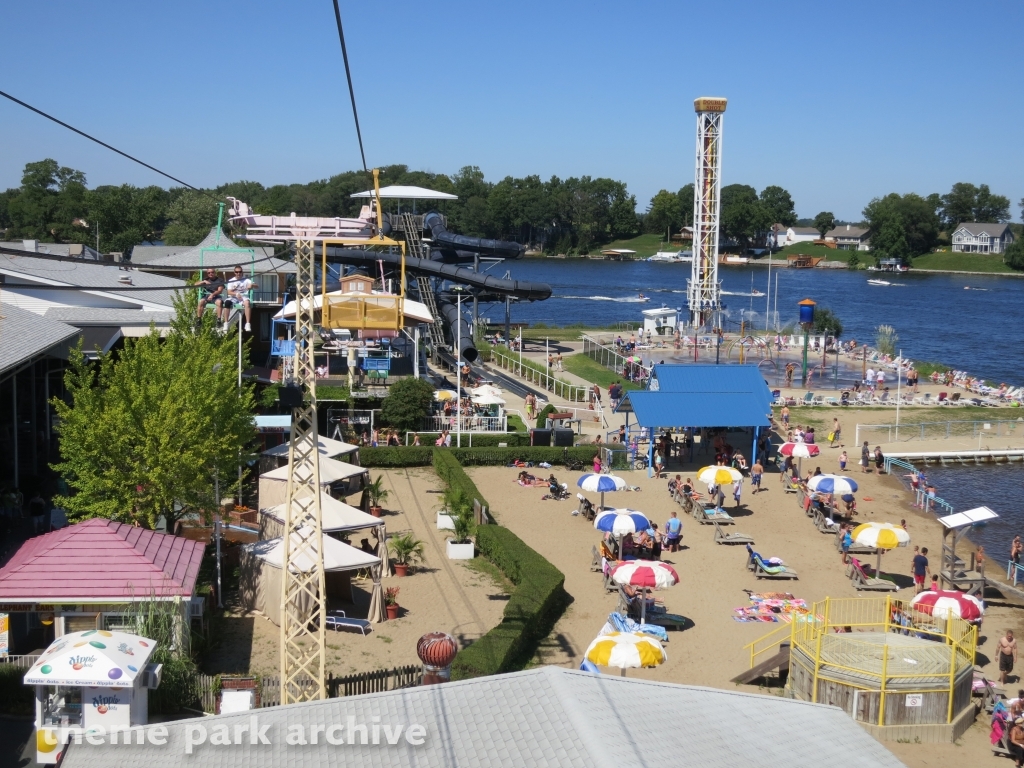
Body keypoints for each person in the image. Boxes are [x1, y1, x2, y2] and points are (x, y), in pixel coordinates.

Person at [224, 266, 253, 332]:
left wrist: (252, 285)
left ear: (242, 272)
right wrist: (236, 294)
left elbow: (257, 286)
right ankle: (226, 323)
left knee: (247, 303)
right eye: (236, 272)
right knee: (227, 303)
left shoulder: (246, 280)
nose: (238, 273)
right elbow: (229, 291)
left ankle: (248, 323)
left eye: (240, 272)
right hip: (234, 297)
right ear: (234, 272)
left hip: (244, 297)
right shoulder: (231, 281)